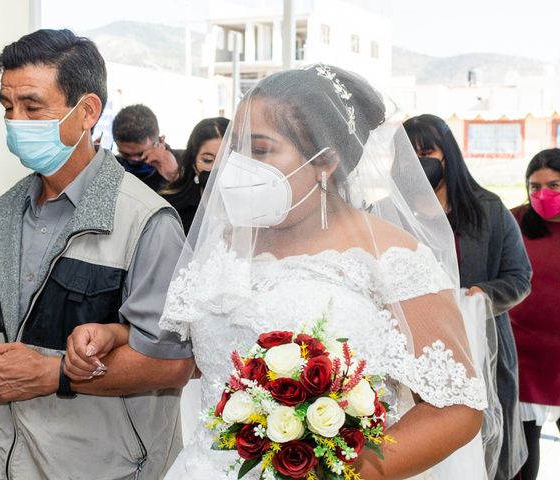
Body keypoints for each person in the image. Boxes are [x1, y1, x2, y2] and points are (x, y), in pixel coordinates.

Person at [65, 64, 500, 479]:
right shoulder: (225, 243)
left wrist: (334, 468)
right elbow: (202, 359)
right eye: (236, 147)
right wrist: (117, 335)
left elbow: (456, 408)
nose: (237, 166)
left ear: (325, 162)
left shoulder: (392, 256)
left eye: (260, 149)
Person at [0, 29, 194, 480]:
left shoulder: (145, 222)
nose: (15, 121)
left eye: (32, 106)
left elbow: (173, 363)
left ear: (87, 112)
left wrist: (54, 372)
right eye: (8, 107)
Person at [403, 114, 531, 480]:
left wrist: (481, 295)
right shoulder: (391, 211)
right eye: (410, 157)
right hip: (417, 349)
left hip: (482, 348)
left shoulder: (488, 209)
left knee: (485, 448)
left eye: (427, 152)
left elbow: (520, 277)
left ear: (449, 156)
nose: (420, 163)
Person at [509, 148, 560, 480]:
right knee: (522, 455)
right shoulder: (513, 221)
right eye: (534, 186)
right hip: (524, 354)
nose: (543, 194)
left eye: (554, 185)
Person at [160, 117, 229, 234]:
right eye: (208, 160)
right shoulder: (171, 208)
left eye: (227, 160)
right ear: (193, 162)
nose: (218, 168)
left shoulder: (254, 209)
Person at [112, 104, 181, 191]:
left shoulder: (188, 162)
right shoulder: (112, 166)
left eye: (141, 154)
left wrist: (176, 177)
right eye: (126, 155)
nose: (135, 160)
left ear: (161, 141)